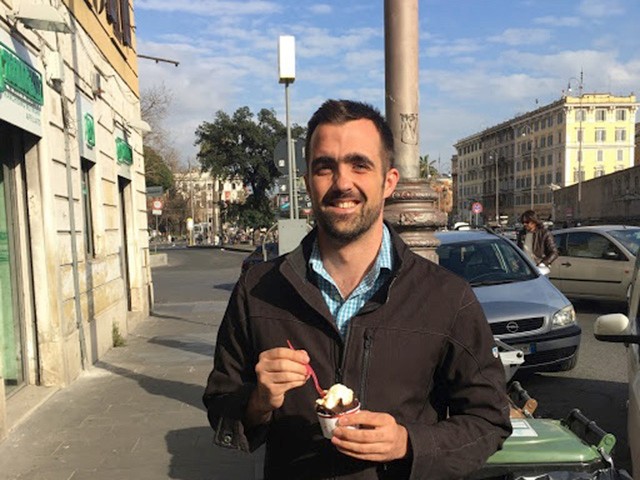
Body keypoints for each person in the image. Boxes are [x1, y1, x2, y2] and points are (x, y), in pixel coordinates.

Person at [203, 99, 511, 479]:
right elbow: (220, 406)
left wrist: (408, 443)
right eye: (324, 167)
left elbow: (489, 420)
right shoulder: (258, 289)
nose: (342, 183)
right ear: (307, 183)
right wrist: (258, 402)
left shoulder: (446, 296)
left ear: (389, 182)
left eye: (359, 164)